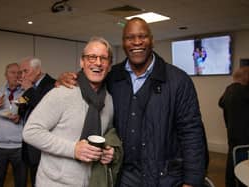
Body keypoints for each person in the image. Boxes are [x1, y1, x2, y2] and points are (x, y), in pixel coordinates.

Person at [59, 17, 208, 187]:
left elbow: (192, 133)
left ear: (152, 40)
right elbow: (91, 75)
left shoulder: (178, 80)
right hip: (123, 176)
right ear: (123, 43)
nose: (137, 42)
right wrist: (71, 78)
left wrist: (192, 181)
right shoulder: (112, 76)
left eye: (142, 36)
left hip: (165, 177)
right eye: (130, 38)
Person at [22, 36, 122, 187]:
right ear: (82, 62)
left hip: (92, 181)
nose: (98, 63)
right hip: (55, 183)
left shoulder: (108, 100)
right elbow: (30, 131)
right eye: (91, 57)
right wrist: (73, 149)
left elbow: (106, 133)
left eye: (104, 58)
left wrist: (108, 152)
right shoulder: (62, 93)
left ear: (109, 66)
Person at [17, 57, 56, 187]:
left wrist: (28, 90)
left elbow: (45, 110)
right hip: (29, 143)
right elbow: (24, 112)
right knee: (34, 179)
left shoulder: (52, 85)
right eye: (21, 72)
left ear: (38, 70)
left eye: (25, 71)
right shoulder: (30, 87)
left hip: (43, 145)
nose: (22, 75)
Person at [218, 66, 249, 187]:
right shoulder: (244, 92)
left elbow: (220, 102)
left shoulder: (229, 90)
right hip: (244, 136)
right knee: (242, 165)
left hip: (233, 133)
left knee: (232, 160)